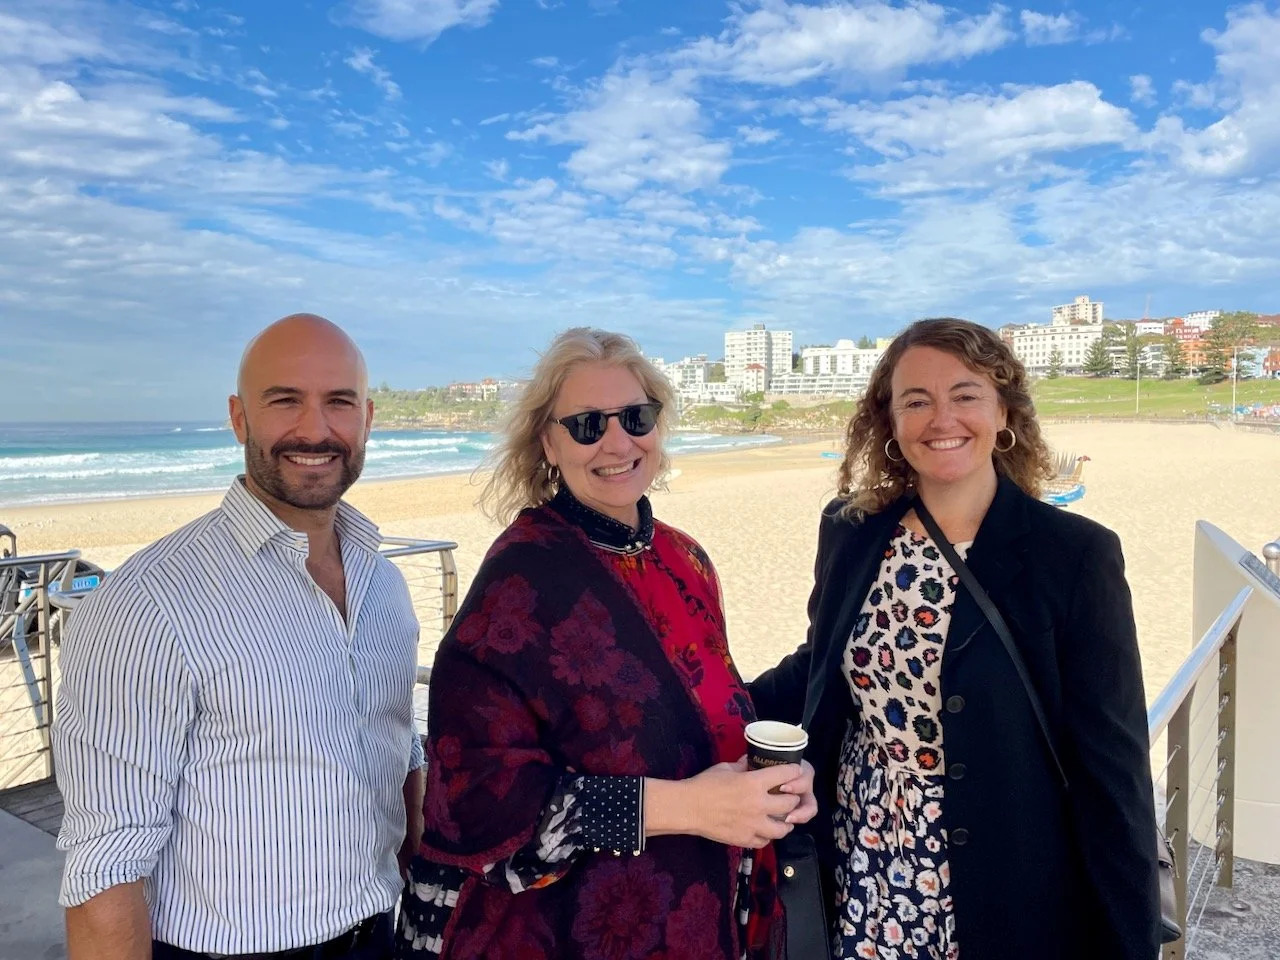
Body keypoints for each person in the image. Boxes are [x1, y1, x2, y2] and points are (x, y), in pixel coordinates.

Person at [398, 328, 816, 960]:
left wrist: (771, 781)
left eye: (636, 417)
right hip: (574, 933)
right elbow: (475, 796)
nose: (618, 443)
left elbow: (700, 708)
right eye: (587, 425)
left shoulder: (685, 558)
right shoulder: (519, 579)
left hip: (707, 917)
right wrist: (687, 808)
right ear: (549, 443)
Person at [749, 318, 1161, 960]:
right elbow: (821, 665)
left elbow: (1113, 767)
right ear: (890, 421)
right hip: (860, 861)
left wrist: (1130, 940)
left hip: (1003, 879)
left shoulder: (1073, 555)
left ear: (1003, 412)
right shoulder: (851, 530)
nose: (942, 419)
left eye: (966, 395)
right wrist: (709, 703)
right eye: (916, 401)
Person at [53, 314, 424, 960]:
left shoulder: (382, 583)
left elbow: (397, 741)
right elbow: (104, 867)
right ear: (238, 418)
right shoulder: (148, 603)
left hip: (378, 935)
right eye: (285, 400)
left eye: (339, 402)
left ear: (367, 419)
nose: (315, 429)